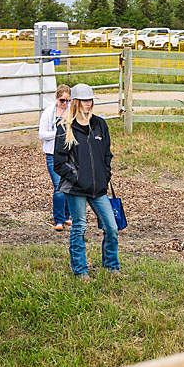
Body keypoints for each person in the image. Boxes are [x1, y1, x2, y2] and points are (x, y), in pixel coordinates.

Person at [53, 83, 119, 279]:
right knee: (79, 227)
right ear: (75, 102)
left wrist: (105, 175)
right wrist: (77, 178)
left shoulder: (100, 125)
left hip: (99, 188)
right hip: (77, 189)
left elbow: (107, 154)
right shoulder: (65, 128)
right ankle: (80, 271)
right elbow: (59, 162)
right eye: (83, 100)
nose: (88, 104)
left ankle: (111, 267)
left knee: (112, 227)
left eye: (90, 100)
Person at [39, 84, 72, 230]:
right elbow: (42, 135)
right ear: (57, 98)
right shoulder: (48, 112)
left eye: (67, 100)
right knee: (59, 186)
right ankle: (58, 219)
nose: (65, 104)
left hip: (70, 154)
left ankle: (67, 216)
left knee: (70, 184)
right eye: (62, 100)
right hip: (53, 154)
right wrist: (59, 134)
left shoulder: (72, 112)